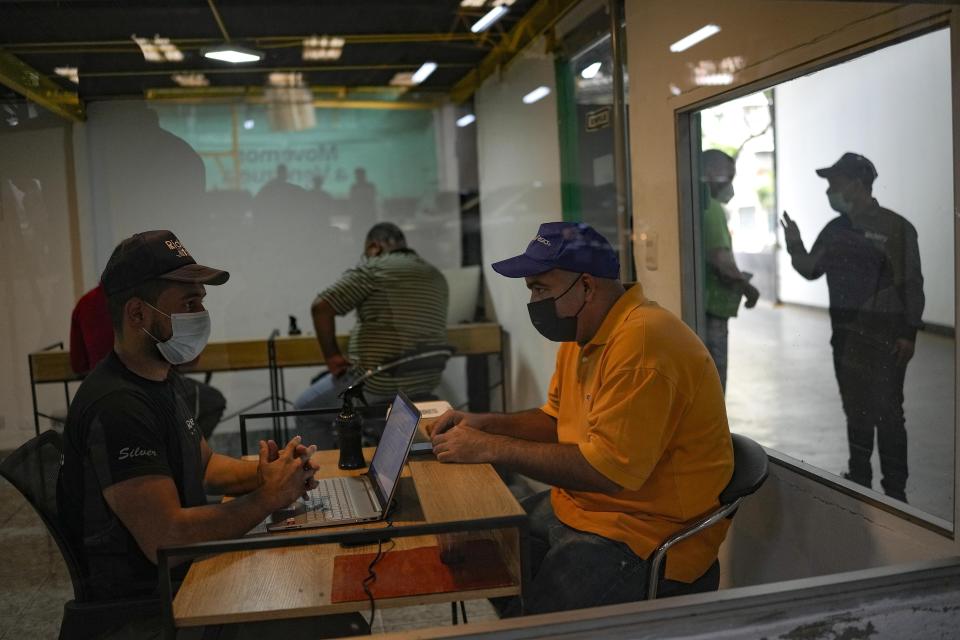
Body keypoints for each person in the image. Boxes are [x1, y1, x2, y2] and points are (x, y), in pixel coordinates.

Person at [429, 222, 733, 615]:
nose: (534, 301)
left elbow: (607, 473)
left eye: (541, 288)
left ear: (587, 287)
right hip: (586, 508)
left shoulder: (643, 345)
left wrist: (491, 448)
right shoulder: (585, 335)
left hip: (645, 532)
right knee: (485, 553)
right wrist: (485, 423)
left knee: (539, 625)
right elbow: (558, 420)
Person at [57, 231, 322, 628]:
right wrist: (268, 498)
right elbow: (167, 540)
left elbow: (204, 464)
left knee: (311, 583)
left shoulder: (160, 377)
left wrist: (269, 474)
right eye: (188, 303)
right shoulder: (118, 406)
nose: (200, 315)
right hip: (153, 608)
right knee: (325, 616)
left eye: (201, 302)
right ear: (137, 314)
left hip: (188, 580)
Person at [780, 152, 924, 502]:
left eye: (835, 183)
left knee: (889, 414)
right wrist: (795, 243)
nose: (829, 190)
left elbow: (912, 284)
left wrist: (909, 333)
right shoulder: (836, 230)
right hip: (844, 338)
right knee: (855, 408)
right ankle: (860, 477)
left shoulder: (896, 228)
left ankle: (896, 491)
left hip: (886, 338)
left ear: (857, 184)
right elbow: (811, 268)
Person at [293, 223, 449, 446]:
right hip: (424, 381)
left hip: (376, 382)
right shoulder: (435, 275)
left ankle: (320, 476)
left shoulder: (375, 269)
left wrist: (333, 357)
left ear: (374, 247)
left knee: (305, 409)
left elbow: (322, 307)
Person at [69, 282, 227, 439]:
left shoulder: (85, 304)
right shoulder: (146, 300)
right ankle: (181, 453)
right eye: (189, 304)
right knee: (212, 401)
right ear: (136, 313)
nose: (201, 312)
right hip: (145, 386)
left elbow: (78, 364)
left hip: (102, 390)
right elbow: (186, 360)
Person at [700, 149, 760, 390]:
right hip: (712, 310)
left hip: (702, 307)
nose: (731, 185)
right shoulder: (711, 208)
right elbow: (720, 260)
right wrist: (748, 288)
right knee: (714, 379)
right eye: (729, 177)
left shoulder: (696, 205)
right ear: (711, 173)